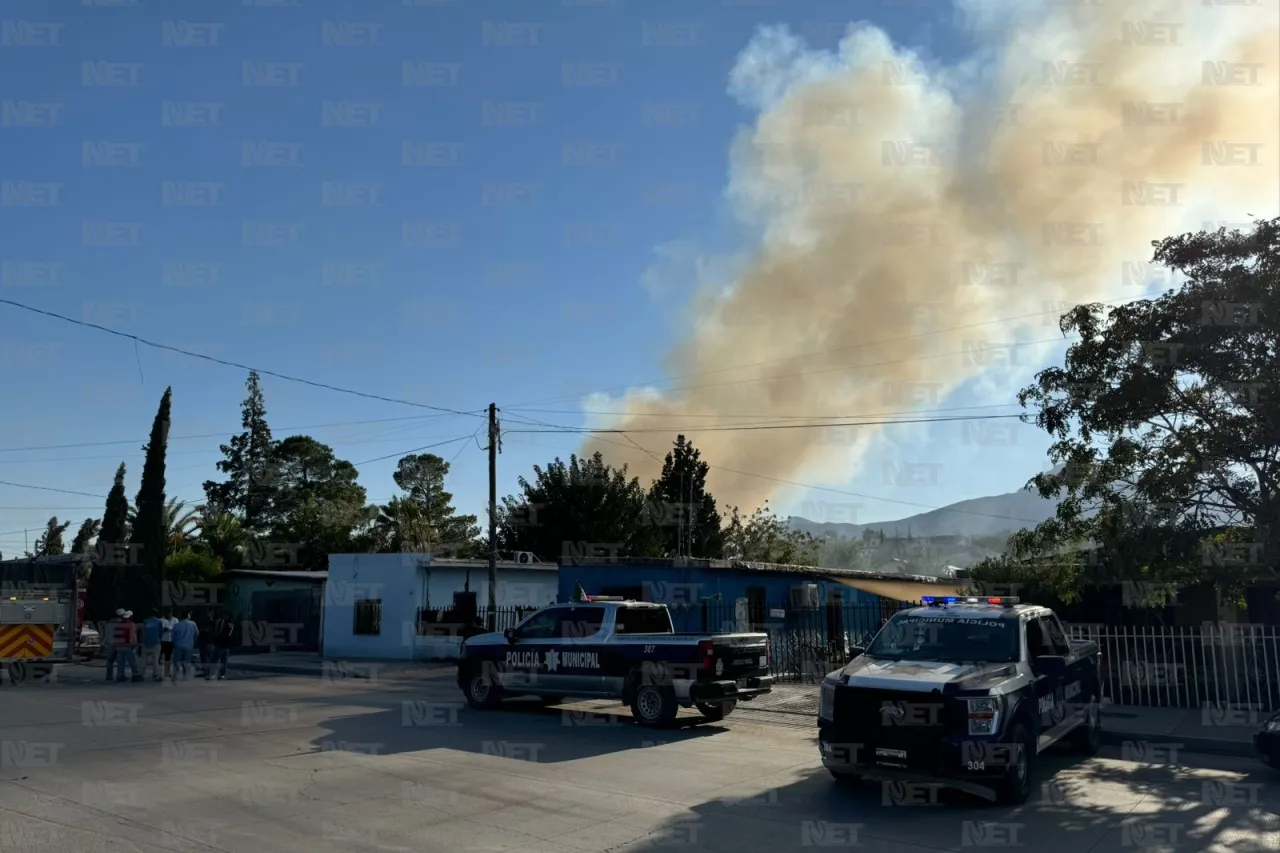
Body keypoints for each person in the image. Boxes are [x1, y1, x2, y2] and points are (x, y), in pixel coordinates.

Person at [207, 611, 236, 680]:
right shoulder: (230, 623)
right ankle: (221, 674)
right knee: (223, 660)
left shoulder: (221, 622)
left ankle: (214, 674)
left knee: (216, 659)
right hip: (225, 644)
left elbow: (218, 632)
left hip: (220, 643)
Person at [111, 610, 139, 682]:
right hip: (129, 646)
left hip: (120, 646)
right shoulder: (131, 624)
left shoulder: (119, 625)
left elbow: (116, 635)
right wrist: (135, 644)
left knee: (121, 662)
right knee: (132, 661)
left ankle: (120, 675)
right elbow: (133, 636)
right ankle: (135, 675)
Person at [171, 610, 198, 681]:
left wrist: (174, 643)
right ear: (188, 616)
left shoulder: (177, 625)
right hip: (189, 645)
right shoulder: (193, 624)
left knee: (176, 661)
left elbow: (173, 636)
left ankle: (177, 675)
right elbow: (196, 634)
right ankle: (186, 676)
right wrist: (193, 642)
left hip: (178, 645)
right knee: (187, 662)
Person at [140, 610, 163, 682]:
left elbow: (142, 632)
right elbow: (161, 632)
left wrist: (141, 642)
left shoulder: (145, 621)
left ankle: (141, 674)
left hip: (146, 643)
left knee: (143, 660)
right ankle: (155, 674)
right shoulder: (159, 622)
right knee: (155, 660)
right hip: (156, 643)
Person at [102, 609, 123, 681]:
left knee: (110, 661)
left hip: (110, 645)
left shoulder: (110, 623)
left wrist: (103, 644)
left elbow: (106, 634)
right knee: (120, 661)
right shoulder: (122, 623)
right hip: (119, 644)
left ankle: (109, 676)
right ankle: (120, 676)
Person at [160, 608, 176, 680]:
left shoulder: (175, 620)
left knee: (168, 657)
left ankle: (167, 672)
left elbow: (177, 629)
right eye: (167, 613)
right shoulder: (160, 620)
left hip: (171, 640)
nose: (169, 615)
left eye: (170, 613)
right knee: (159, 657)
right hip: (163, 640)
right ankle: (157, 672)